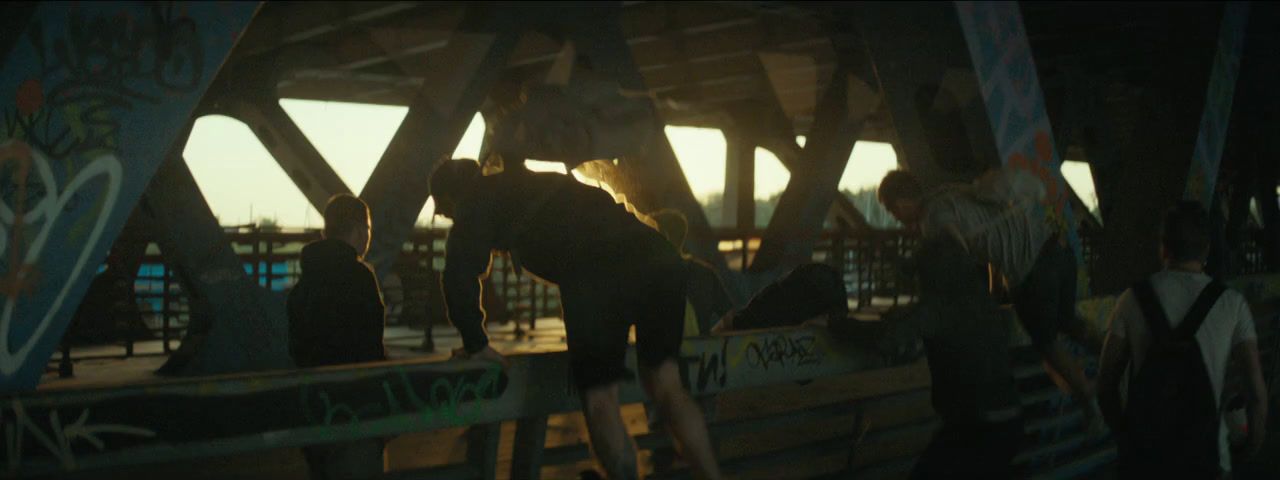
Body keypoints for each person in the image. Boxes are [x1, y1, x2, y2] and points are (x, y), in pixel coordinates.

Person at [431, 159, 721, 480]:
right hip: (659, 257)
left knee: (600, 399)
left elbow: (459, 274)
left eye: (444, 210)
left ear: (452, 196)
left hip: (596, 270)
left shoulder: (477, 199)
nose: (447, 218)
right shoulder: (534, 183)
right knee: (667, 384)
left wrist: (476, 343)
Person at [877, 168, 1103, 431]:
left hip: (1032, 268)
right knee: (1068, 321)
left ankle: (1091, 402)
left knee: (1046, 343)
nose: (897, 219)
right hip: (1057, 249)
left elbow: (954, 267)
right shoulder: (950, 191)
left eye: (894, 212)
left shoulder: (933, 220)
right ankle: (1116, 355)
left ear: (903, 202)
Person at [1097, 201, 1267, 479]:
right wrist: (1249, 448)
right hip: (1207, 460)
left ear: (1163, 248)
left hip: (1144, 461)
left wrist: (1127, 437)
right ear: (1207, 251)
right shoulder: (1232, 304)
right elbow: (1256, 394)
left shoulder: (1132, 299)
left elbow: (1105, 386)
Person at [890, 235, 1023, 478]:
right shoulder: (986, 305)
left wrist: (841, 325)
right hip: (1010, 423)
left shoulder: (938, 308)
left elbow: (888, 338)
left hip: (974, 428)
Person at [287, 193, 388, 479]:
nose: (369, 237)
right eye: (368, 229)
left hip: (315, 410)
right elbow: (370, 347)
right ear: (358, 229)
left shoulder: (305, 284)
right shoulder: (360, 278)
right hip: (356, 408)